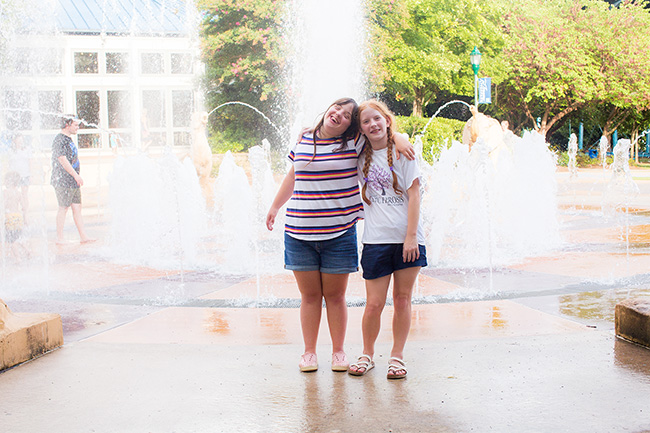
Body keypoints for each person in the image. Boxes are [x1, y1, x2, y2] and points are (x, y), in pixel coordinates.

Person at [266, 97, 414, 373]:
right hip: (299, 232)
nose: (339, 115)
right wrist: (275, 206)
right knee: (310, 296)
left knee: (335, 297)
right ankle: (309, 353)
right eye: (337, 108)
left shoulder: (353, 143)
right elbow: (292, 176)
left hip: (339, 233)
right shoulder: (304, 138)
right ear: (328, 109)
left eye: (347, 115)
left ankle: (338, 351)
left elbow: (379, 131)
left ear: (350, 126)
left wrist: (400, 138)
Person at [347, 99, 427, 380]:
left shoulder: (404, 152)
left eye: (377, 118)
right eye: (366, 122)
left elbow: (415, 195)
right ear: (361, 129)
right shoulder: (359, 156)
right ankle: (367, 354)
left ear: (387, 120)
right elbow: (334, 136)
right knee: (373, 304)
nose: (373, 124)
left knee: (402, 300)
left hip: (408, 239)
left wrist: (410, 237)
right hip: (376, 240)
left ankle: (397, 357)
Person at [50, 115, 95, 245]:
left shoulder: (68, 139)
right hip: (63, 180)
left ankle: (83, 236)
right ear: (67, 125)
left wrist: (75, 177)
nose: (78, 127)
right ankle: (59, 237)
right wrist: (76, 175)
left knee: (77, 207)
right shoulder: (59, 140)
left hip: (72, 180)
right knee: (63, 207)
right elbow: (62, 159)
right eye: (75, 125)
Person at [3, 171, 29, 261]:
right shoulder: (18, 193)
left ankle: (18, 258)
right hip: (18, 217)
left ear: (8, 181)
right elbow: (24, 207)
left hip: (9, 217)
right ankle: (27, 250)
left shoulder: (5, 192)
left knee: (11, 240)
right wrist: (25, 219)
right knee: (18, 237)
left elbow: (3, 205)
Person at [7, 132, 31, 223]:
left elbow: (30, 162)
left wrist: (31, 174)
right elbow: (9, 164)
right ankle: (15, 213)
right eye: (19, 139)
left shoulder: (26, 149)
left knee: (24, 195)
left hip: (25, 175)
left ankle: (25, 215)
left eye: (22, 139)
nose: (20, 141)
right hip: (14, 176)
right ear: (14, 140)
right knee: (14, 194)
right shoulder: (11, 151)